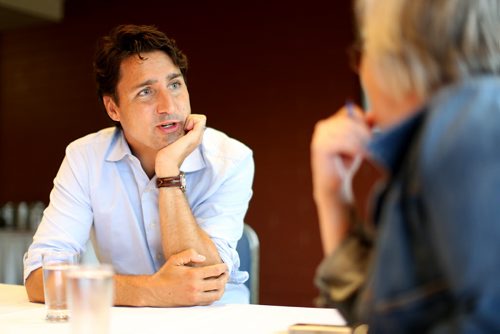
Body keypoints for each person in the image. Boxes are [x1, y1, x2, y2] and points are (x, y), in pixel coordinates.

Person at [24, 24, 254, 307]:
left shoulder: (230, 159)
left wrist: (168, 170)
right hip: (128, 318)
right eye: (146, 92)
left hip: (215, 320)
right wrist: (148, 291)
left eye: (174, 84)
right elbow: (40, 278)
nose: (168, 105)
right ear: (113, 109)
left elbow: (198, 278)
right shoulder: (85, 158)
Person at [311, 0, 500, 332]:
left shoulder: (467, 130)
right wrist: (333, 196)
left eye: (364, 50)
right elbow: (384, 315)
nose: (362, 70)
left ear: (398, 53)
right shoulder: (451, 134)